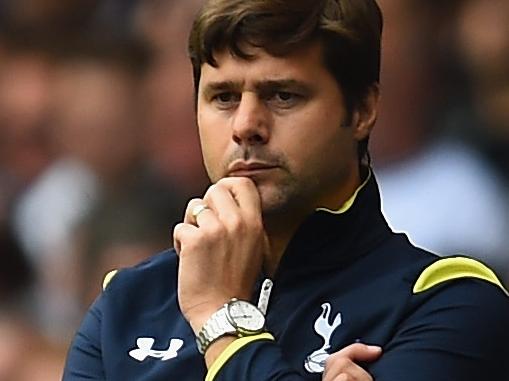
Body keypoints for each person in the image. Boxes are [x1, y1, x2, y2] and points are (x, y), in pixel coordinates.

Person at [63, 0, 509, 380]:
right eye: (223, 97)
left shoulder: (450, 306)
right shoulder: (124, 306)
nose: (245, 126)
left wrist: (221, 317)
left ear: (362, 110)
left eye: (283, 96)